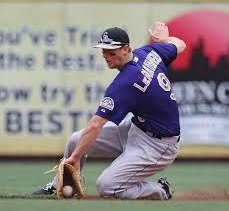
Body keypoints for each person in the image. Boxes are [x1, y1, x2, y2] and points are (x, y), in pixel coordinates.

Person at [34, 22, 186, 200]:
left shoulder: (126, 82)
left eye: (111, 51)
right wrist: (163, 40)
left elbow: (95, 125)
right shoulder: (149, 53)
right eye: (103, 50)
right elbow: (180, 44)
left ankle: (160, 190)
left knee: (107, 187)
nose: (106, 55)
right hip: (136, 129)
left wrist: (74, 158)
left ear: (125, 49)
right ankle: (56, 185)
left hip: (158, 146)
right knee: (76, 140)